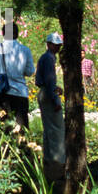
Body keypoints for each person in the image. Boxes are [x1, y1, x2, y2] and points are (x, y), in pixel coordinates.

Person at [0, 19, 35, 130]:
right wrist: (19, 72)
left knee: (4, 125)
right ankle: (21, 146)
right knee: (21, 126)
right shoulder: (25, 50)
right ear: (17, 34)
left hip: (3, 91)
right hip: (20, 92)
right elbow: (30, 71)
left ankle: (4, 146)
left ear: (3, 33)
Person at [36, 33, 67, 181]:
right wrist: (55, 101)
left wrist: (56, 88)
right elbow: (48, 81)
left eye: (58, 45)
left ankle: (48, 160)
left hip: (46, 93)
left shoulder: (47, 58)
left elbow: (50, 82)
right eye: (55, 44)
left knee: (49, 128)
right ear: (48, 44)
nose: (57, 47)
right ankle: (57, 162)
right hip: (48, 96)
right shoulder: (48, 58)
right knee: (57, 129)